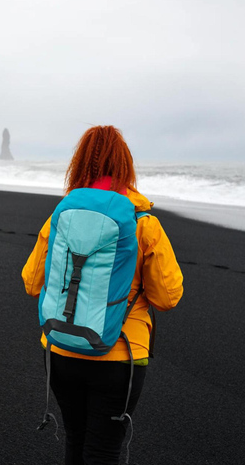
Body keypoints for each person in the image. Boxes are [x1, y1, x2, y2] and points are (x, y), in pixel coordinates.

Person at [22, 125, 184, 465]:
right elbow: (168, 297)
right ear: (126, 166)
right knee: (104, 451)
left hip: (60, 349)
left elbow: (31, 281)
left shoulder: (60, 217)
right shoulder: (142, 222)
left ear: (80, 164)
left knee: (75, 441)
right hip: (119, 355)